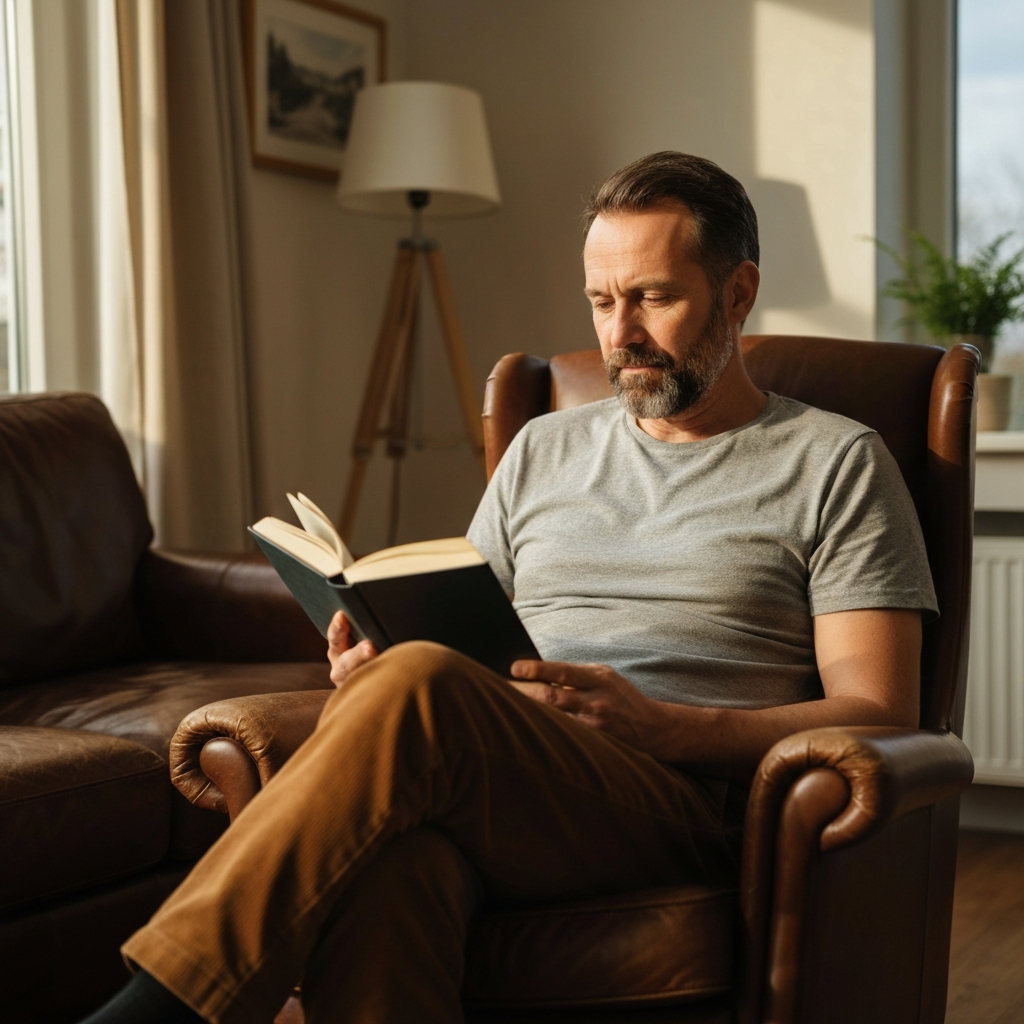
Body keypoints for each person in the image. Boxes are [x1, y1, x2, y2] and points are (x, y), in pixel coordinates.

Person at [81, 152, 937, 1024]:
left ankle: (156, 1010)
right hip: (509, 770)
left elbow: (880, 709)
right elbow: (463, 637)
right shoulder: (542, 448)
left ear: (738, 292)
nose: (622, 334)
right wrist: (378, 664)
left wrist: (663, 724)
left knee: (419, 689)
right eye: (603, 302)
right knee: (398, 864)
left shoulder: (836, 463)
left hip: (675, 800)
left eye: (654, 297)